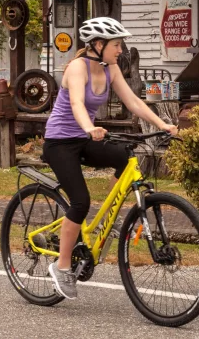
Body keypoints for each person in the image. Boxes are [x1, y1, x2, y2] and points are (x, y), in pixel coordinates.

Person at [43, 16, 178, 299]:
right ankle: (63, 266)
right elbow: (78, 103)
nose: (120, 50)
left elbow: (133, 101)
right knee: (79, 202)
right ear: (98, 44)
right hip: (60, 142)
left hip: (85, 137)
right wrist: (89, 127)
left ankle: (109, 215)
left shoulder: (111, 68)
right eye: (116, 45)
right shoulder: (77, 68)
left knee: (124, 156)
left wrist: (162, 124)